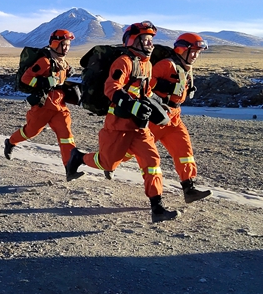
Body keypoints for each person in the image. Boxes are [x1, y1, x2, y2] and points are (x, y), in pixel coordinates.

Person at [66, 21, 179, 222]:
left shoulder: (147, 64)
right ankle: (78, 158)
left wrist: (158, 105)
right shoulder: (124, 62)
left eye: (150, 40)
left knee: (152, 163)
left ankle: (157, 208)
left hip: (140, 127)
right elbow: (112, 88)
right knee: (107, 162)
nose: (150, 44)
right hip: (118, 125)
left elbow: (145, 92)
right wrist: (132, 106)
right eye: (145, 40)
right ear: (133, 41)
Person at [149, 33, 212, 204]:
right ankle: (92, 160)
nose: (196, 55)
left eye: (198, 52)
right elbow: (145, 82)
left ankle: (189, 189)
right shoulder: (166, 65)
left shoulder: (186, 67)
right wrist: (165, 86)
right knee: (128, 152)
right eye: (194, 52)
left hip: (174, 117)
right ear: (182, 50)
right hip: (157, 117)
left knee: (184, 151)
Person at [3, 30, 77, 170]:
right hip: (44, 105)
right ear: (55, 44)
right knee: (31, 131)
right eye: (64, 45)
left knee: (66, 135)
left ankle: (70, 167)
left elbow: (59, 80)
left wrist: (67, 73)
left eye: (68, 45)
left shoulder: (63, 62)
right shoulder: (44, 61)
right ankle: (11, 142)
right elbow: (26, 79)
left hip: (59, 106)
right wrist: (43, 82)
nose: (67, 48)